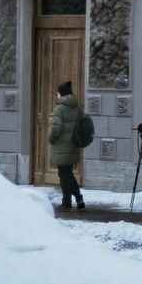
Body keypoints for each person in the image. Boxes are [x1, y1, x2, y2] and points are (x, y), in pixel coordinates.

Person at [49, 80, 85, 210]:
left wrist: (51, 139)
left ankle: (68, 202)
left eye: (58, 92)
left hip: (61, 147)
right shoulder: (77, 108)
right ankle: (77, 198)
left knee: (64, 176)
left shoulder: (59, 109)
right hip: (73, 146)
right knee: (67, 174)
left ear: (61, 93)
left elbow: (56, 129)